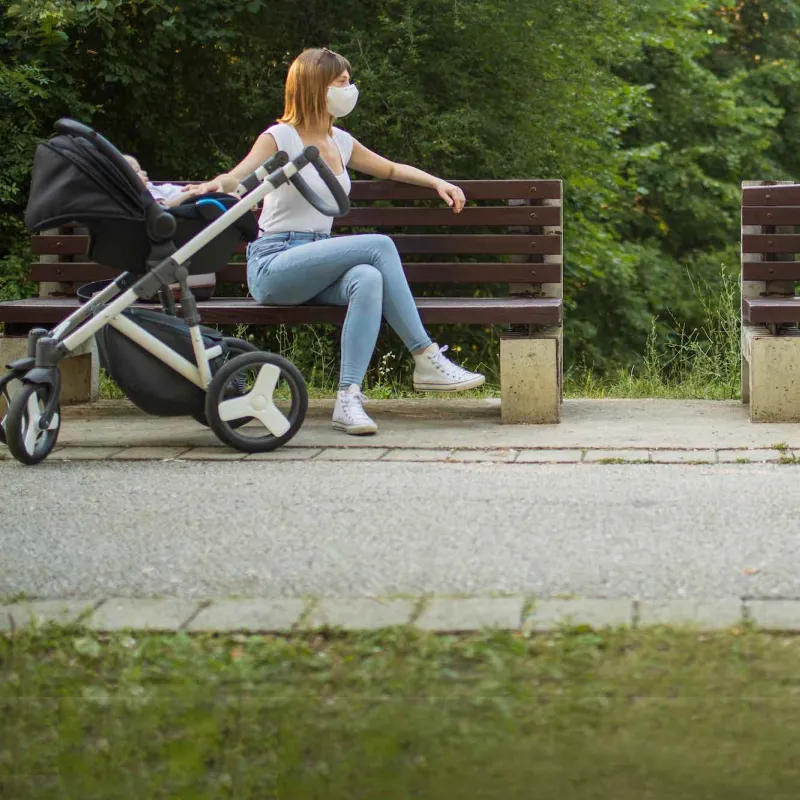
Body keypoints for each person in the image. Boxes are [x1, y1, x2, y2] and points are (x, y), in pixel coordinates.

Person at [185, 48, 485, 435]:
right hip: (275, 262)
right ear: (315, 87)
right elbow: (239, 176)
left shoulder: (339, 140)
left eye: (348, 80)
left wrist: (436, 182)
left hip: (314, 262)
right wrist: (213, 185)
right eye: (341, 82)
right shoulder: (281, 136)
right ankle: (424, 354)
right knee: (379, 246)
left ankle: (348, 399)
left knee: (368, 278)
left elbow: (391, 168)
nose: (350, 89)